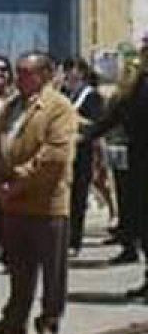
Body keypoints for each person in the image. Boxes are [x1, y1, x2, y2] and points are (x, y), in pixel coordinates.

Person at [0, 51, 76, 334]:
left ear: (44, 75)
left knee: (52, 269)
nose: (20, 77)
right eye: (18, 71)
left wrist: (18, 181)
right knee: (19, 267)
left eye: (27, 72)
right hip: (13, 202)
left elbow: (54, 155)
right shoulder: (9, 107)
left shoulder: (59, 107)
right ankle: (15, 318)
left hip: (46, 202)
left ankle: (50, 319)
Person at [87, 38, 148, 286]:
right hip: (139, 162)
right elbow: (115, 116)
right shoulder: (138, 85)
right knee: (142, 222)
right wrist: (86, 136)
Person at [61, 57, 104, 257]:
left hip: (82, 153)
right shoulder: (62, 94)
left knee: (78, 198)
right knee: (63, 199)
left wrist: (75, 121)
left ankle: (74, 241)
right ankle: (61, 238)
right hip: (63, 154)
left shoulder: (91, 97)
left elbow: (96, 123)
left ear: (82, 73)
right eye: (67, 69)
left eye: (73, 69)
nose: (69, 74)